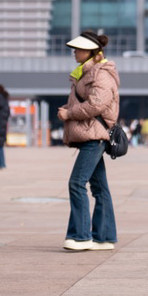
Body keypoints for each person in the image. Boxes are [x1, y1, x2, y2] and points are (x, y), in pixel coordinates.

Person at [58, 30, 120, 252]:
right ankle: (103, 237)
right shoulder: (85, 73)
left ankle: (81, 236)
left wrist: (70, 113)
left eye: (79, 49)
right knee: (99, 188)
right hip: (89, 133)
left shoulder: (101, 74)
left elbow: (97, 105)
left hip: (95, 135)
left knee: (76, 183)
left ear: (92, 51)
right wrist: (68, 109)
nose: (75, 52)